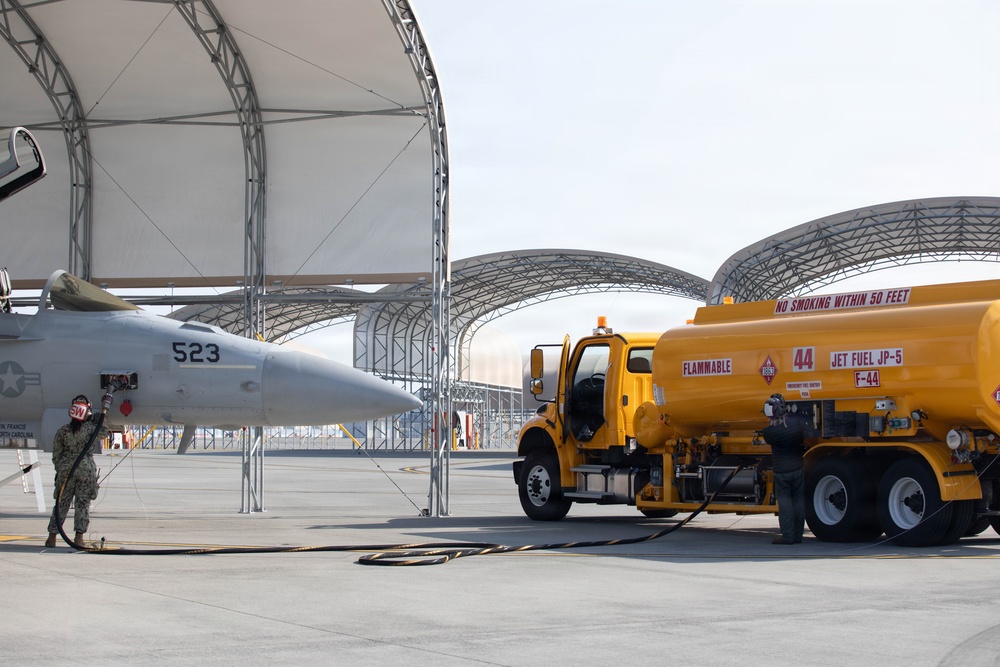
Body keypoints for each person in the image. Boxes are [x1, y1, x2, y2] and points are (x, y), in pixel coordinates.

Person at [44, 395, 108, 547]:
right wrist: (98, 420)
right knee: (83, 503)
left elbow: (56, 455)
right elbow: (104, 432)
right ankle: (79, 537)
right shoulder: (90, 429)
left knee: (61, 504)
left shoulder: (63, 432)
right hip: (85, 471)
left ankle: (52, 537)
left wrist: (62, 470)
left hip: (66, 472)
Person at [762, 393, 806, 545]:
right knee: (799, 502)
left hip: (782, 472)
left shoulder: (769, 433)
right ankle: (798, 535)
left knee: (785, 505)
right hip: (797, 468)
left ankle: (788, 536)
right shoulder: (796, 426)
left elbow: (770, 430)